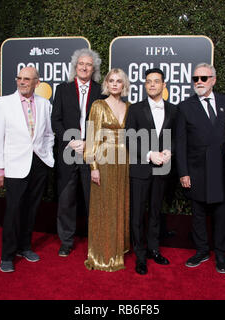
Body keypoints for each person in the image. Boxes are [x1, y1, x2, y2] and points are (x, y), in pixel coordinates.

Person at [0, 66, 54, 272]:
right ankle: (7, 255)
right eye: (19, 78)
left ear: (37, 82)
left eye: (27, 79)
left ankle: (25, 247)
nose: (22, 82)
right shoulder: (3, 103)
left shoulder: (45, 104)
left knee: (32, 209)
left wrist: (48, 157)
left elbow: (48, 134)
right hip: (14, 166)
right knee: (13, 211)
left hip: (39, 164)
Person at [175, 63, 225, 273]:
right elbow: (180, 142)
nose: (199, 82)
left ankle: (220, 255)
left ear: (213, 80)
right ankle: (201, 251)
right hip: (196, 169)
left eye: (203, 78)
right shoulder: (185, 106)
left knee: (220, 215)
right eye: (195, 79)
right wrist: (183, 172)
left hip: (221, 169)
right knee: (198, 214)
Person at [51, 48, 103, 257]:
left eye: (88, 64)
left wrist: (88, 143)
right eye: (81, 63)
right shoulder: (62, 89)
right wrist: (71, 141)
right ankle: (66, 241)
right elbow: (56, 120)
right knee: (66, 199)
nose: (84, 67)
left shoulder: (101, 91)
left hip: (92, 153)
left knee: (94, 200)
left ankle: (96, 242)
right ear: (75, 66)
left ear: (94, 68)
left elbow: (104, 125)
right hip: (68, 152)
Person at [125, 68, 176, 275]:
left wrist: (169, 152)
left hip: (162, 169)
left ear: (164, 85)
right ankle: (140, 255)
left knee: (155, 212)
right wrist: (148, 154)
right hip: (140, 169)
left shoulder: (174, 110)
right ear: (145, 85)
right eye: (148, 81)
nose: (152, 84)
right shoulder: (136, 109)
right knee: (137, 214)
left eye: (156, 81)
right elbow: (129, 138)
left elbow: (176, 136)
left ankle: (154, 249)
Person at [84, 68, 131, 272]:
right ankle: (102, 253)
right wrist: (93, 166)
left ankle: (118, 247)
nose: (114, 84)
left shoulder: (129, 107)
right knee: (103, 206)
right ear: (106, 83)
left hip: (125, 161)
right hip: (103, 160)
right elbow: (92, 137)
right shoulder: (98, 105)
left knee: (120, 204)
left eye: (118, 81)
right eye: (111, 80)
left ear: (124, 85)